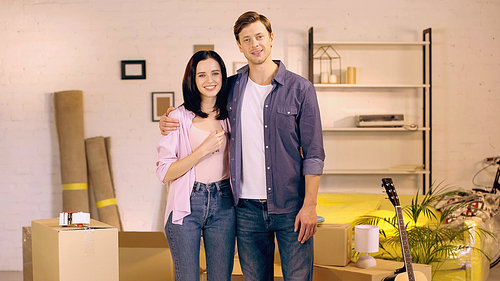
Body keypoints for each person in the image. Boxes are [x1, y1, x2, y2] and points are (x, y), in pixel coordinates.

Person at [159, 11, 324, 281]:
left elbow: (314, 154)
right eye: (247, 39)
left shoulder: (300, 89)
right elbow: (200, 106)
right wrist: (168, 119)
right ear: (239, 45)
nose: (255, 44)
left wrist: (310, 206)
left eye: (260, 36)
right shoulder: (231, 88)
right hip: (245, 211)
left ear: (271, 39)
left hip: (291, 207)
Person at [156, 50, 235, 281]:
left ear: (223, 76)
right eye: (202, 75)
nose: (209, 81)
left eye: (215, 73)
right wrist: (202, 150)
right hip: (186, 202)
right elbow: (164, 172)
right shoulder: (177, 118)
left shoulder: (231, 115)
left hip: (224, 203)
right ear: (192, 79)